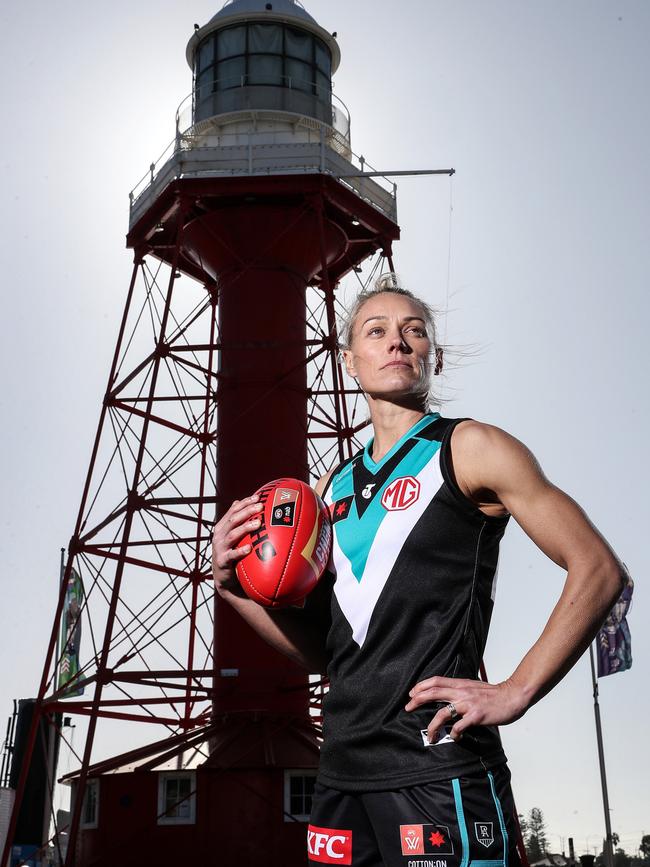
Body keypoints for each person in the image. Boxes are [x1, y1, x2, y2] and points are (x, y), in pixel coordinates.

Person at [212, 275, 626, 867]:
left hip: (437, 765)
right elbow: (335, 654)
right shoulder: (333, 492)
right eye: (376, 331)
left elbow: (599, 568)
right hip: (342, 776)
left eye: (414, 331)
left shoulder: (472, 448)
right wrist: (232, 588)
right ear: (350, 360)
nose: (397, 342)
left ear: (434, 355)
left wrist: (517, 689)